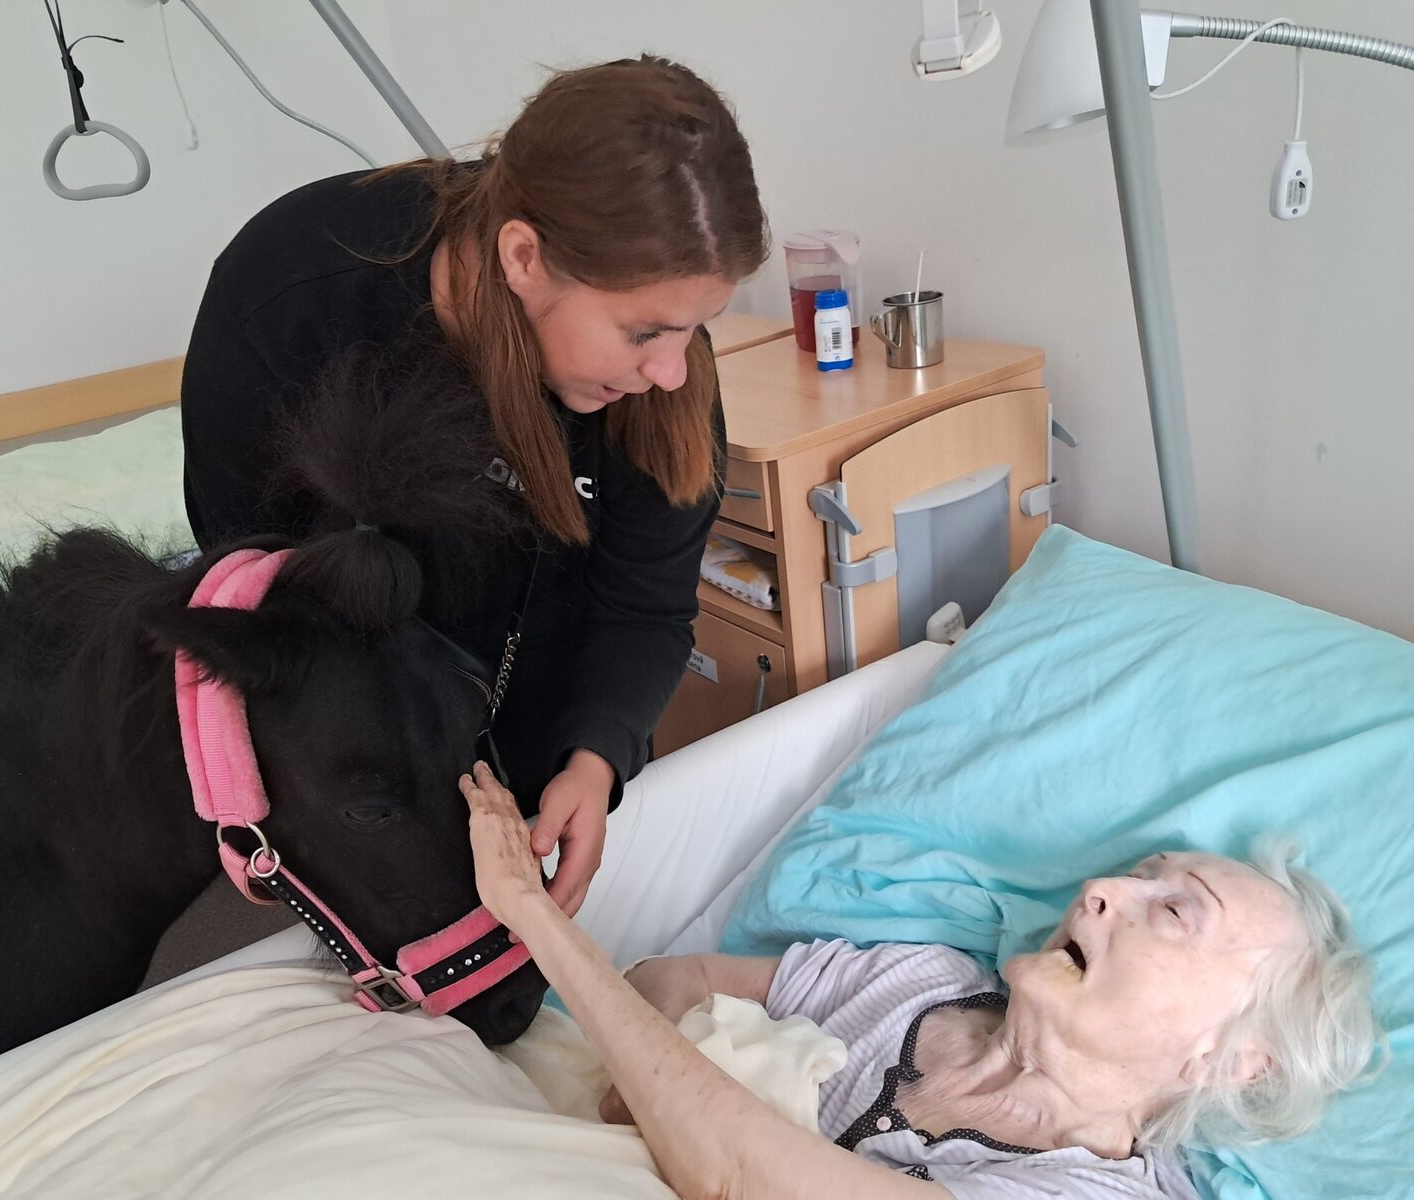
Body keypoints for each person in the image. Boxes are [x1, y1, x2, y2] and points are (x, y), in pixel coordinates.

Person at [179, 56, 768, 917]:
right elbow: (254, 594)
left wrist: (595, 758)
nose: (673, 370)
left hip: (541, 711)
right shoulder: (289, 298)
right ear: (524, 257)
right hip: (359, 725)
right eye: (644, 332)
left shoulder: (658, 378)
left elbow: (647, 606)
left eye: (695, 328)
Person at [459, 760, 1381, 1200]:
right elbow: (679, 973)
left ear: (1232, 1060)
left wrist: (534, 913)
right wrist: (635, 1098)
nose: (1103, 890)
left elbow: (744, 1179)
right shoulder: (919, 980)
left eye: (1175, 912)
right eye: (1142, 875)